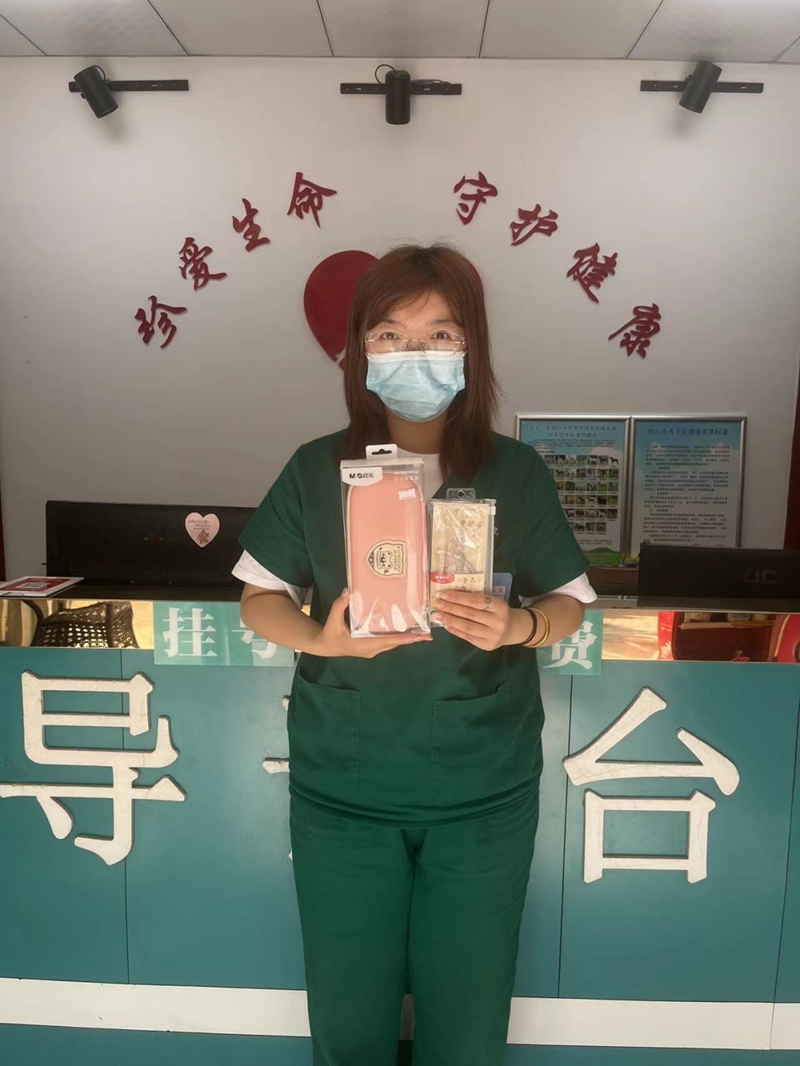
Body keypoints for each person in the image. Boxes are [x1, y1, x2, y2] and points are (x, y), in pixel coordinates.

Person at [234, 244, 596, 1066]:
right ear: (361, 351)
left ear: (473, 347)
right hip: (343, 791)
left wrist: (518, 628)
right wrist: (322, 637)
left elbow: (569, 602)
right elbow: (258, 598)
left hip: (483, 794)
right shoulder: (316, 468)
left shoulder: (515, 472)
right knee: (348, 1022)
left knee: (467, 1026)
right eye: (391, 334)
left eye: (440, 333)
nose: (415, 353)